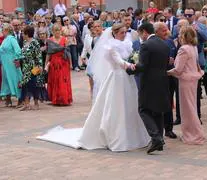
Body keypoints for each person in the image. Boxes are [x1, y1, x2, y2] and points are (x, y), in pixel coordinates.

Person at [38, 23, 150, 152]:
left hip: (127, 79)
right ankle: (116, 135)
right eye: (121, 33)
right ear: (114, 33)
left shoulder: (127, 44)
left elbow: (130, 56)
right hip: (117, 77)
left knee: (130, 104)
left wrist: (134, 62)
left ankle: (134, 134)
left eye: (125, 32)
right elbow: (119, 61)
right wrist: (131, 65)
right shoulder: (110, 46)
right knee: (117, 105)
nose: (124, 35)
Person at [127, 22, 171, 154]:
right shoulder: (164, 44)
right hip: (162, 81)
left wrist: (130, 69)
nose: (141, 37)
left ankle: (156, 137)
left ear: (145, 32)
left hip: (149, 82)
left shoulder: (146, 45)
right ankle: (160, 140)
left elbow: (143, 66)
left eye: (141, 34)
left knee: (143, 109)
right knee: (158, 111)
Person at [167, 26, 204, 145]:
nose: (178, 36)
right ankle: (193, 132)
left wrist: (166, 72)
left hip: (186, 81)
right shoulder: (193, 47)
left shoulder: (183, 49)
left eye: (180, 34)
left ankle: (193, 134)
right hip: (193, 79)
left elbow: (178, 69)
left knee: (187, 109)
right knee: (191, 106)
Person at [46, 24, 73, 106]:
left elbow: (68, 53)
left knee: (63, 80)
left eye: (58, 30)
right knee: (55, 80)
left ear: (61, 30)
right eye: (55, 30)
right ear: (52, 31)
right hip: (54, 63)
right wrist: (46, 64)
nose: (57, 32)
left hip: (63, 62)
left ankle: (64, 98)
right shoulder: (50, 40)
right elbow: (48, 53)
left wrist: (71, 64)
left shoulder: (65, 39)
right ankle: (56, 99)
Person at [19, 25, 43, 111]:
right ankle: (26, 104)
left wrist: (39, 66)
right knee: (25, 85)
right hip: (25, 67)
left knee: (33, 85)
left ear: (27, 33)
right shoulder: (25, 43)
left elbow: (38, 55)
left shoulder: (34, 42)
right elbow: (23, 54)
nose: (22, 34)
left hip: (33, 67)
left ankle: (36, 103)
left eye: (23, 33)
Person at [0, 23, 23, 106]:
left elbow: (18, 50)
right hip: (5, 64)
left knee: (15, 80)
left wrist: (17, 59)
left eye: (3, 29)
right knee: (6, 81)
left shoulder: (11, 39)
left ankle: (20, 99)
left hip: (11, 63)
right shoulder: (5, 40)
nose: (2, 31)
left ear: (6, 30)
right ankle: (8, 99)